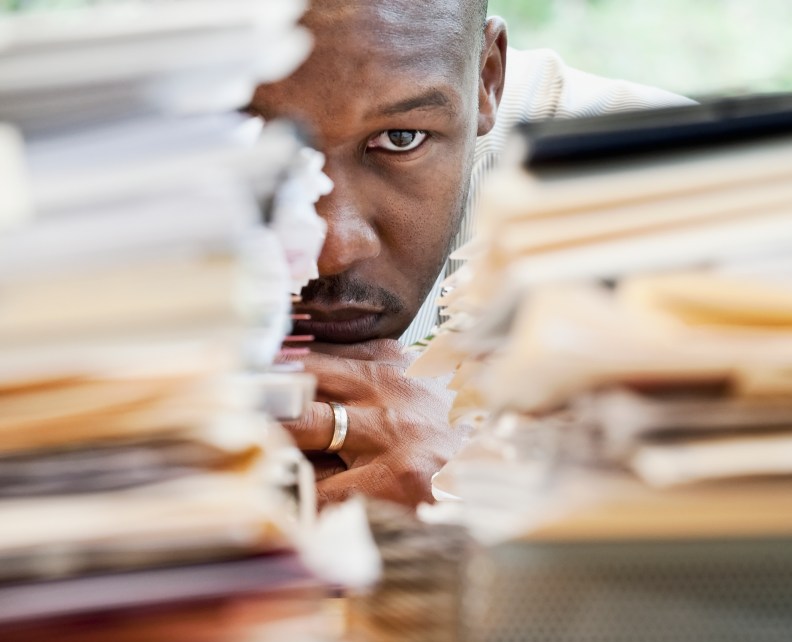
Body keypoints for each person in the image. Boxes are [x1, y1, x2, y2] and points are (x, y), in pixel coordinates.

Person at [250, 0, 688, 508]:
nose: (335, 248)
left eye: (400, 138)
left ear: (487, 78)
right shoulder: (144, 154)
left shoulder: (678, 194)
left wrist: (499, 473)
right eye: (259, 149)